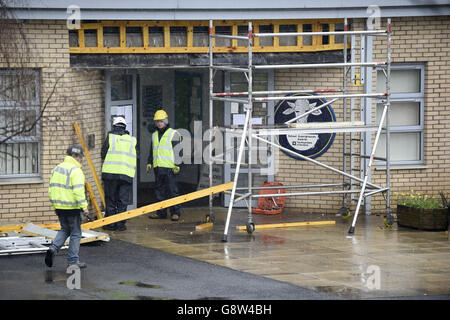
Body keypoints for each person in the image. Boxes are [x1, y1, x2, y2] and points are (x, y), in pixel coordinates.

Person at [46, 144, 89, 269]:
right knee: (76, 233)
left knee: (65, 229)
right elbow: (78, 191)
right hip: (72, 208)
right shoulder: (76, 170)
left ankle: (53, 249)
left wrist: (55, 205)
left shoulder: (57, 168)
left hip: (59, 207)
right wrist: (84, 207)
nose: (81, 160)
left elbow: (51, 188)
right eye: (81, 157)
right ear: (76, 156)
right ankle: (73, 261)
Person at [101, 116, 137, 231]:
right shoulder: (132, 140)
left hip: (111, 174)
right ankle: (120, 224)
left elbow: (103, 154)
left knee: (110, 199)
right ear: (125, 127)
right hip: (126, 174)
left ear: (114, 126)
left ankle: (111, 224)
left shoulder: (110, 137)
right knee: (122, 200)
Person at [147, 109, 182, 221]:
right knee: (159, 191)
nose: (159, 123)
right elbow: (151, 150)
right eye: (157, 121)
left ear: (166, 121)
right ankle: (161, 212)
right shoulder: (154, 135)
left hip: (170, 168)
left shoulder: (173, 134)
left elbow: (178, 152)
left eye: (161, 121)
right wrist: (149, 162)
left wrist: (177, 164)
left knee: (172, 190)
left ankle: (175, 212)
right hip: (158, 168)